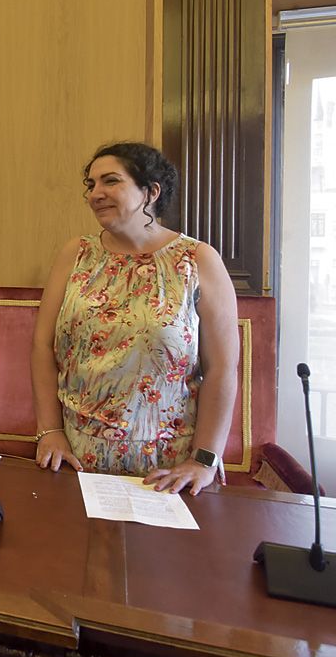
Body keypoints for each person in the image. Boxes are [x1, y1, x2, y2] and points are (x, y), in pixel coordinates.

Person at [31, 142, 239, 495]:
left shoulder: (197, 259)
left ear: (151, 191)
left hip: (166, 468)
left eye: (110, 181)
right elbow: (41, 346)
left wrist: (203, 460)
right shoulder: (76, 253)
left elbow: (221, 368)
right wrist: (49, 431)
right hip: (76, 457)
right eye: (91, 185)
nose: (96, 194)